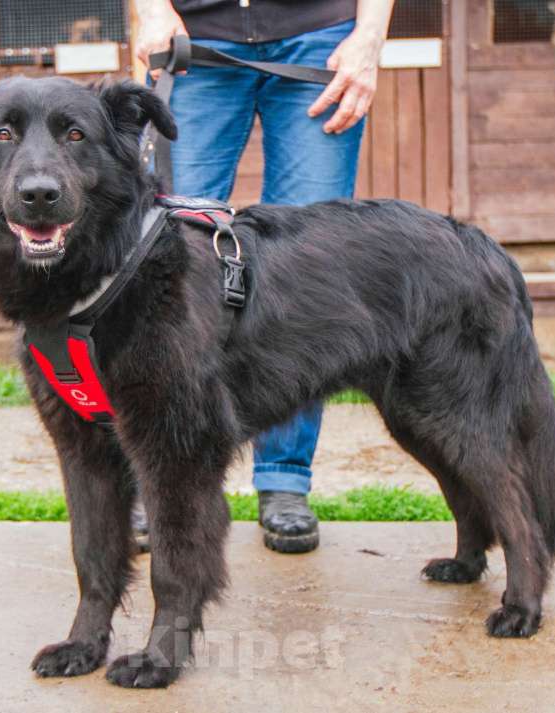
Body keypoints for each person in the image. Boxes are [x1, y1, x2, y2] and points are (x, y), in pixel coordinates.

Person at [133, 0, 394, 553]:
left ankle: (284, 480)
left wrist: (370, 35)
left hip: (320, 35)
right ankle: (159, 476)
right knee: (168, 257)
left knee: (308, 270)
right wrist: (152, 9)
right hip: (195, 38)